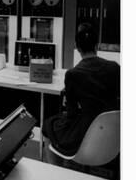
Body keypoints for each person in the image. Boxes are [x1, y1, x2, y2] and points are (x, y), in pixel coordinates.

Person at [42, 23, 120, 158]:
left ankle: (55, 170)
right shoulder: (115, 67)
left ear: (78, 48)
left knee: (48, 125)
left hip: (87, 130)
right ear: (97, 45)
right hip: (113, 130)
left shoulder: (73, 74)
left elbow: (71, 112)